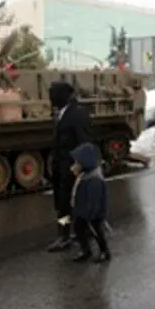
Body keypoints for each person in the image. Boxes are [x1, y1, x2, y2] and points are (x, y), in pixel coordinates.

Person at [47, 81, 92, 252]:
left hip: (71, 167)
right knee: (62, 203)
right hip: (61, 166)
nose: (50, 99)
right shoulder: (64, 113)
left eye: (53, 95)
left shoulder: (76, 114)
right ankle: (79, 232)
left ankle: (64, 236)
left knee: (66, 204)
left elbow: (84, 141)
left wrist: (81, 165)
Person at [69, 142, 111, 263]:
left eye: (77, 163)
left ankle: (104, 251)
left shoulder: (94, 180)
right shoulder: (84, 176)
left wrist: (90, 214)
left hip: (93, 214)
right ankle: (85, 250)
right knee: (78, 228)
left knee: (96, 231)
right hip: (82, 211)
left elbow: (94, 200)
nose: (75, 165)